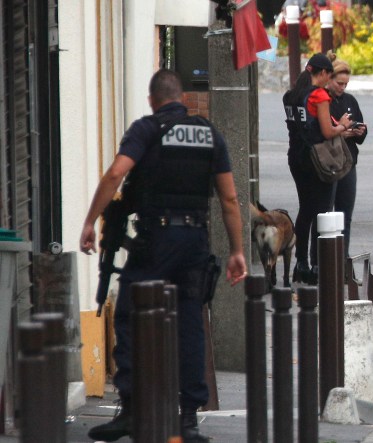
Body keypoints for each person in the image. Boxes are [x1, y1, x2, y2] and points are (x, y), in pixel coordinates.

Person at [79, 69, 247, 442]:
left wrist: (91, 221)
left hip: (155, 238)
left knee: (128, 315)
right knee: (190, 322)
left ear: (153, 100)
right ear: (183, 98)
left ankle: (131, 408)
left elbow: (114, 175)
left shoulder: (146, 129)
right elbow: (230, 199)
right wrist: (237, 251)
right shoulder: (209, 134)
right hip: (194, 241)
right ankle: (188, 419)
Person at [283, 53, 353, 284]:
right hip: (317, 159)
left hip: (296, 158)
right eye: (329, 76)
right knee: (322, 211)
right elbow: (326, 132)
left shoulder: (291, 96)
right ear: (322, 73)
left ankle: (300, 262)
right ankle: (317, 265)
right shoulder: (318, 95)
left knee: (305, 210)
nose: (329, 80)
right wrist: (342, 126)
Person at [327, 54, 367, 258]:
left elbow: (360, 128)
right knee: (327, 216)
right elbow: (320, 132)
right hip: (328, 163)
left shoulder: (350, 100)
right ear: (329, 79)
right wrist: (340, 131)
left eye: (346, 84)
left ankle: (343, 260)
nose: (342, 88)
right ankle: (323, 261)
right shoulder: (322, 99)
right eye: (339, 83)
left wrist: (360, 132)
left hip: (348, 162)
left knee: (345, 216)